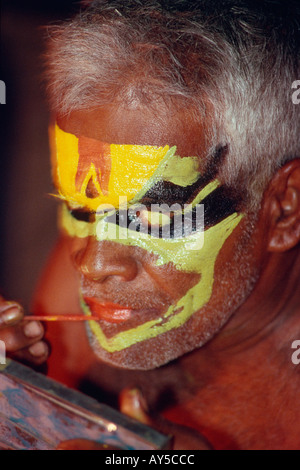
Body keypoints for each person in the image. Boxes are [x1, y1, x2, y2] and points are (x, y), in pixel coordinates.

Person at [0, 0, 300, 450]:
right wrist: (23, 403)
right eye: (79, 207)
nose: (92, 263)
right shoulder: (78, 301)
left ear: (284, 209)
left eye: (152, 215)